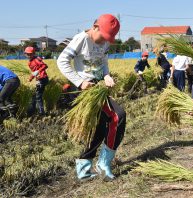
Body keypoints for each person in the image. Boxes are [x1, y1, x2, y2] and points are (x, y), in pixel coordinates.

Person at [57, 14, 126, 181]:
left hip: (98, 86)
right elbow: (62, 61)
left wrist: (107, 76)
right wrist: (80, 82)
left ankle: (83, 168)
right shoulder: (81, 39)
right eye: (103, 36)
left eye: (108, 38)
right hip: (86, 89)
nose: (104, 41)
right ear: (95, 27)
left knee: (100, 127)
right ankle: (103, 164)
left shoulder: (106, 42)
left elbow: (103, 62)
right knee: (117, 116)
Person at [24, 46, 49, 116]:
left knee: (38, 96)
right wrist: (31, 78)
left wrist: (38, 71)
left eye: (30, 54)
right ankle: (33, 110)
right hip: (39, 79)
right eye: (27, 54)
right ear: (25, 54)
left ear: (33, 53)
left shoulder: (37, 59)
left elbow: (45, 66)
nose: (29, 55)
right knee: (35, 96)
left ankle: (41, 113)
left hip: (43, 79)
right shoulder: (30, 62)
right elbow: (33, 72)